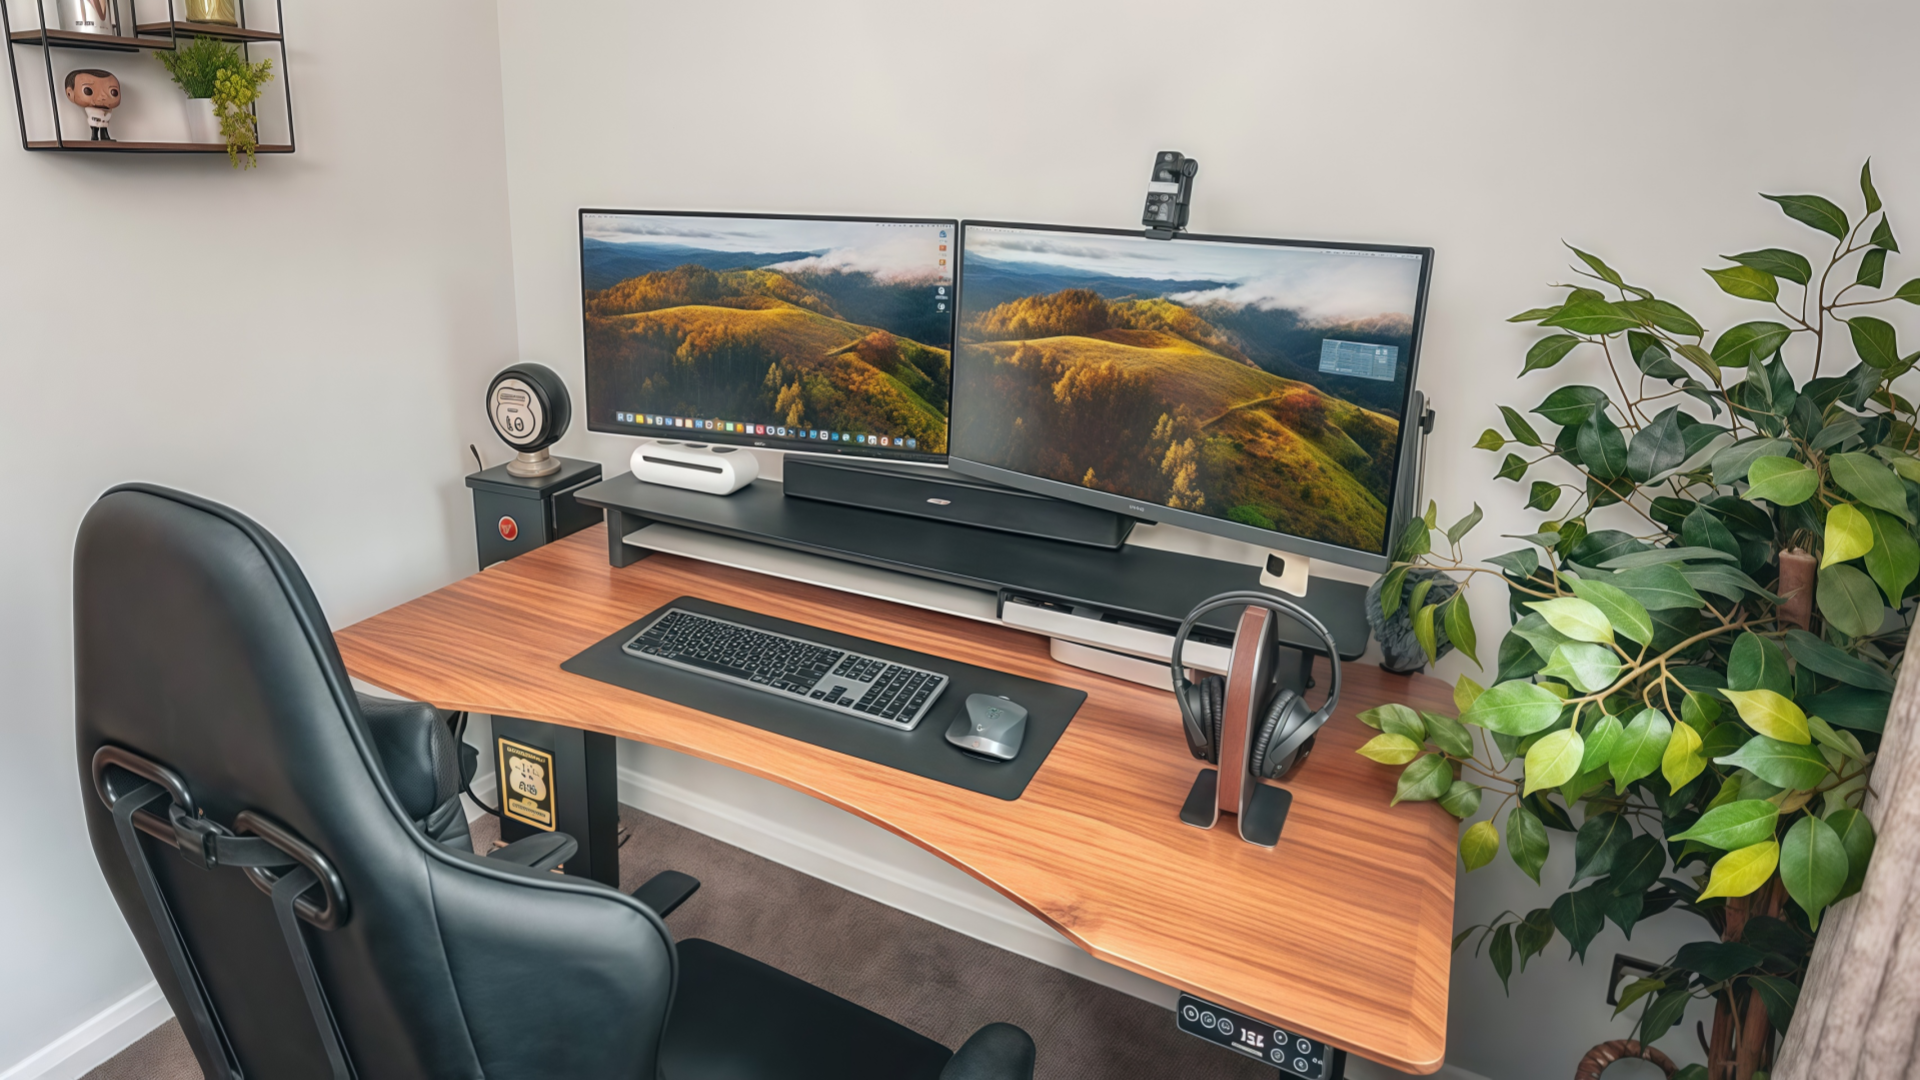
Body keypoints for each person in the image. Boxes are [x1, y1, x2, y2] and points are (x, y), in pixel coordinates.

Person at [63, 69, 120, 141]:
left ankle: (104, 136)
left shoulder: (108, 110)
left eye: (113, 92)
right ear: (70, 93)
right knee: (95, 126)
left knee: (104, 126)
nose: (103, 96)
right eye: (88, 90)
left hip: (104, 120)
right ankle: (94, 136)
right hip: (94, 119)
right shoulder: (91, 110)